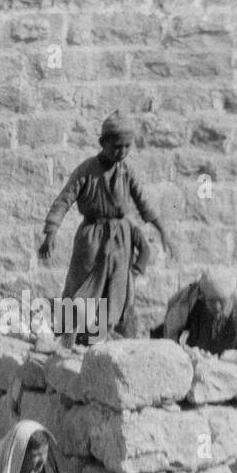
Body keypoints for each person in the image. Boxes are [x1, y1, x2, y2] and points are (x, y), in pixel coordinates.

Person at [40, 112, 174, 343]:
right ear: (103, 143)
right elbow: (64, 200)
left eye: (127, 147)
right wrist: (51, 232)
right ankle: (68, 338)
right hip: (92, 239)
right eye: (117, 146)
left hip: (121, 241)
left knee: (117, 291)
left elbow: (143, 202)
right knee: (81, 285)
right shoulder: (87, 170)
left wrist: (162, 230)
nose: (121, 152)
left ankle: (107, 339)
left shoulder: (126, 171)